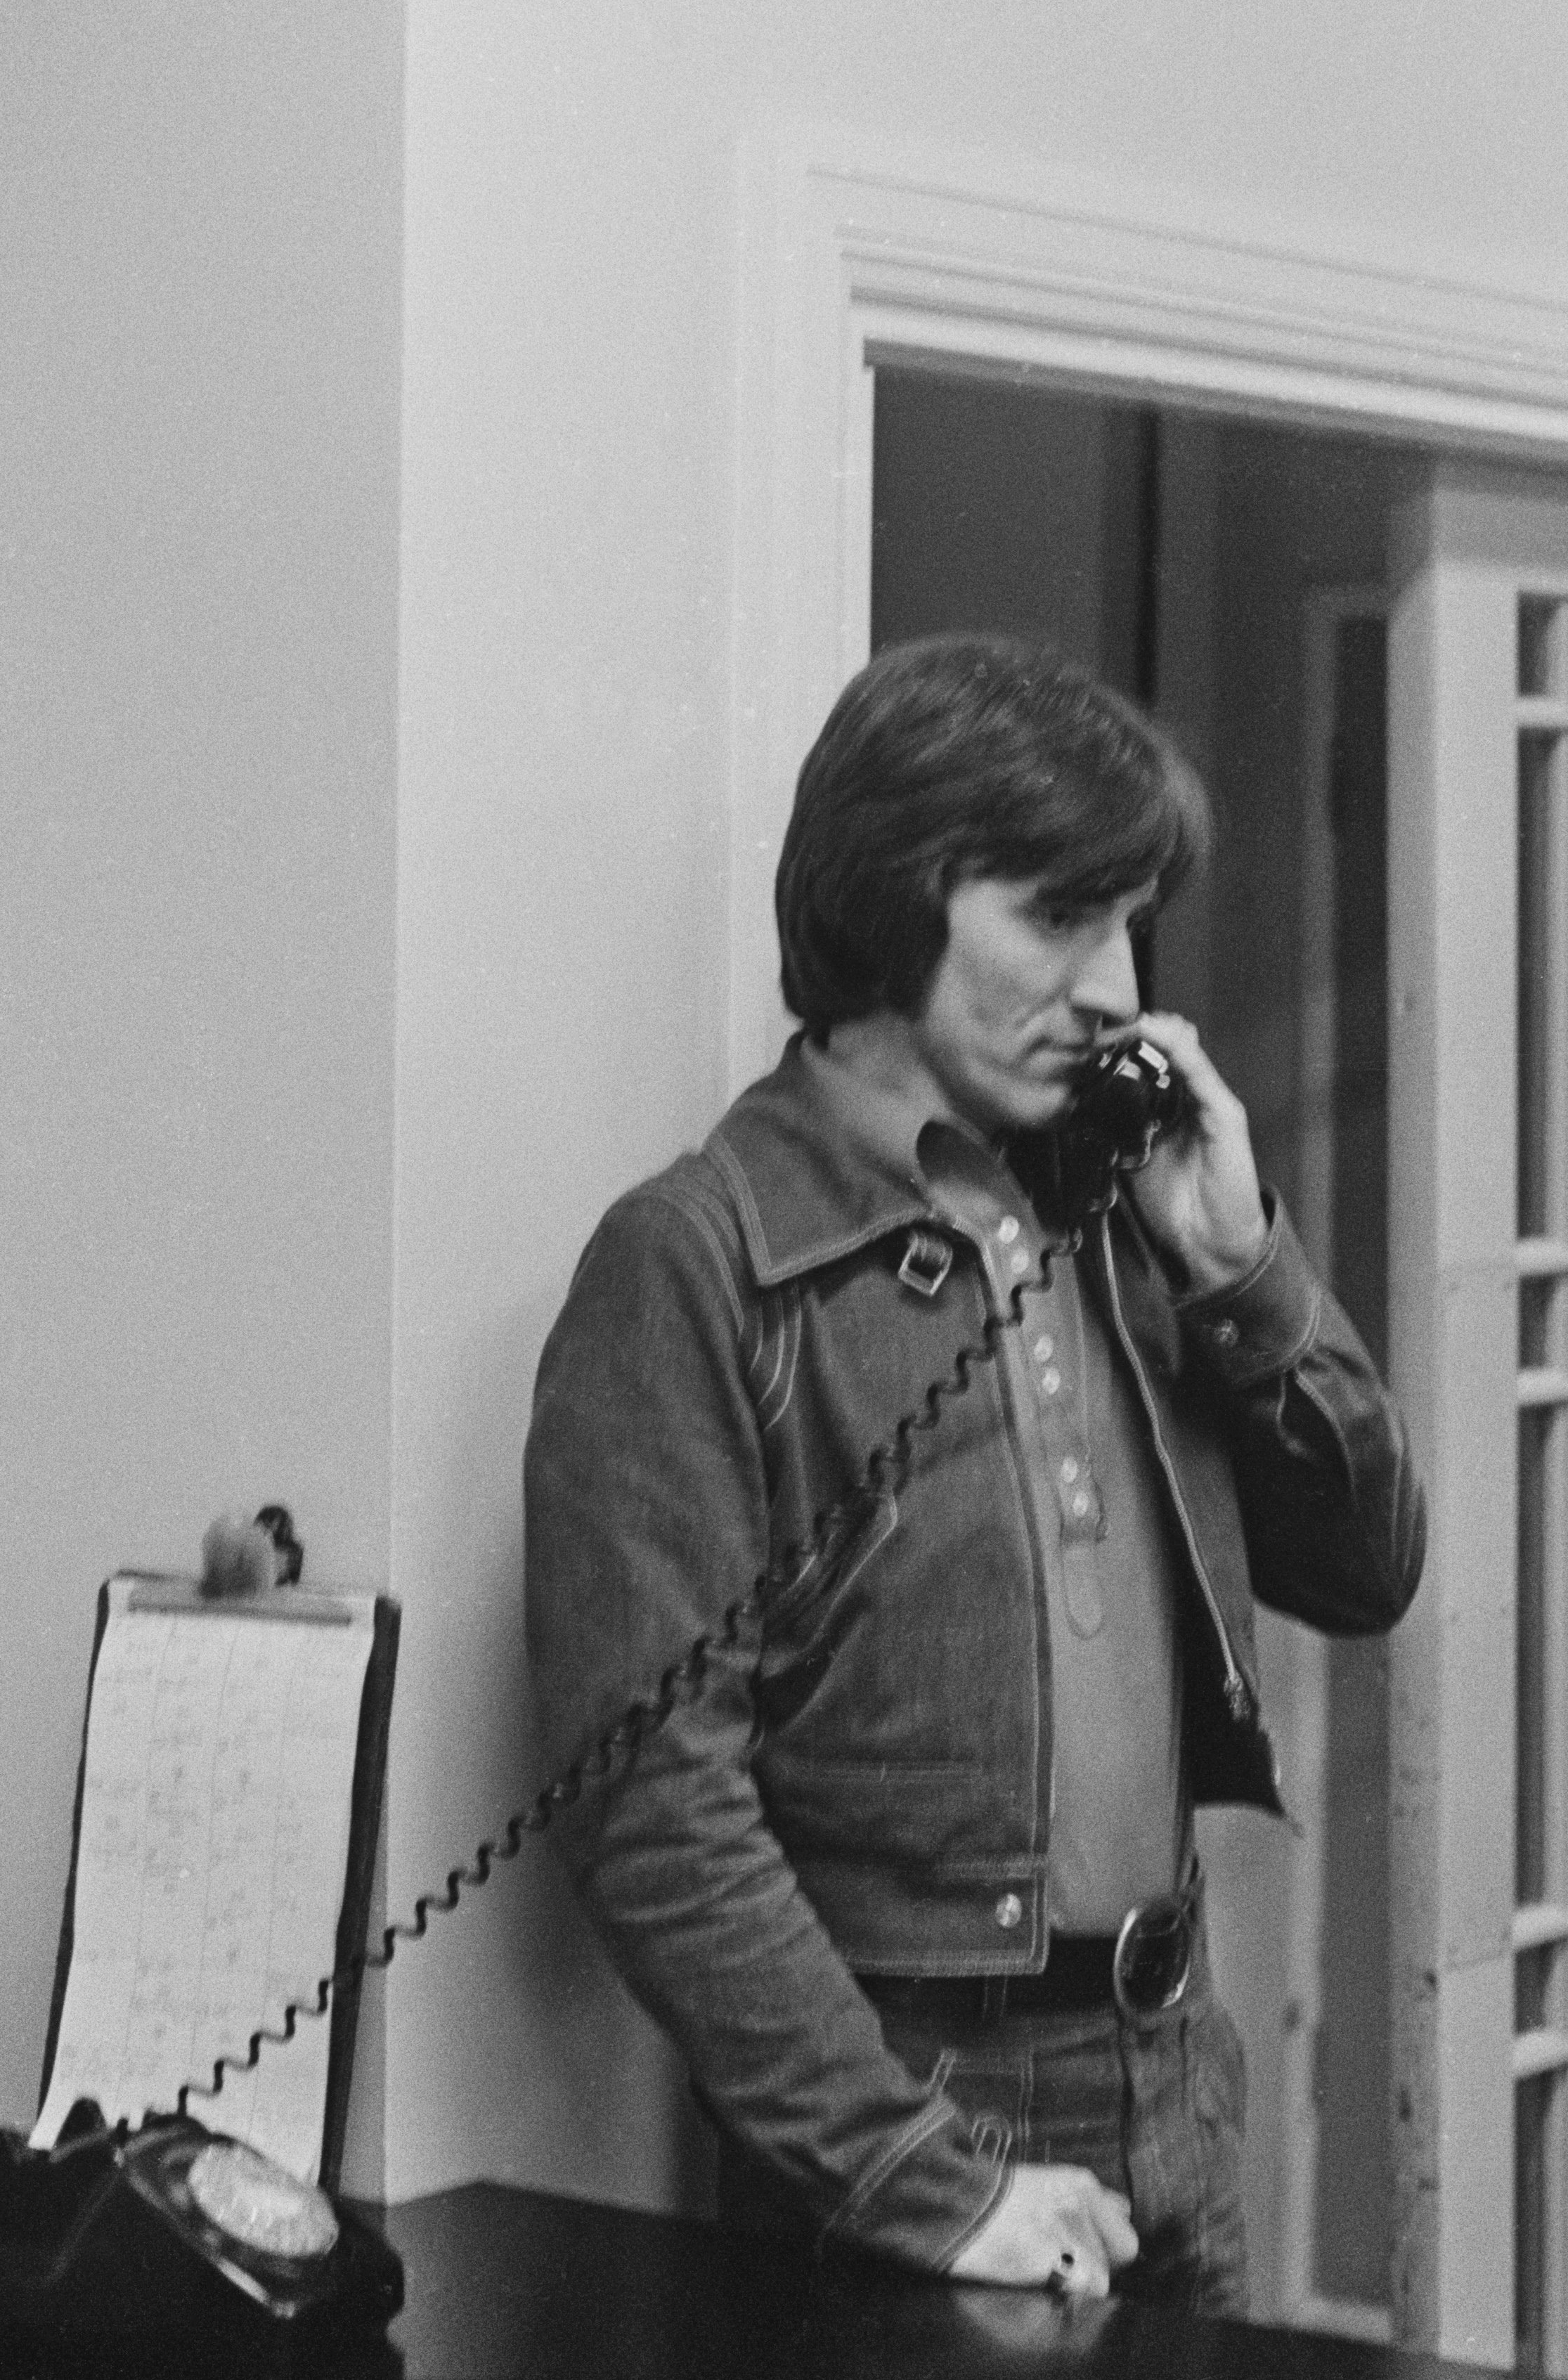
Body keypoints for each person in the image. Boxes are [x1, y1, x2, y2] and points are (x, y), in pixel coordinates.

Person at [524, 633, 1425, 2310]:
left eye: (1127, 922)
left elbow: (1367, 1566)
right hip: (913, 2102)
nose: (1111, 987)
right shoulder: (695, 1264)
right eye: (1056, 916)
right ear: (894, 898)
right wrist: (914, 2179)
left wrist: (1244, 1275)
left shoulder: (1119, 1209)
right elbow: (653, 1812)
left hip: (1173, 2068)